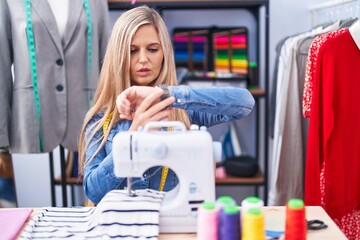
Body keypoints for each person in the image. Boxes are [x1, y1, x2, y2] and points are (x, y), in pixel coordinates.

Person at [78, 5, 255, 205]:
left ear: (164, 52)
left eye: (153, 49)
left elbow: (244, 103)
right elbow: (93, 192)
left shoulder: (181, 109)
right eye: (132, 50)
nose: (143, 59)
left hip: (169, 225)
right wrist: (132, 138)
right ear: (119, 56)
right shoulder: (100, 118)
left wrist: (167, 94)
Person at [0, 0, 110, 206]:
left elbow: (107, 58)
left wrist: (114, 121)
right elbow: (1, 63)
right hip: (32, 116)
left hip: (87, 113)